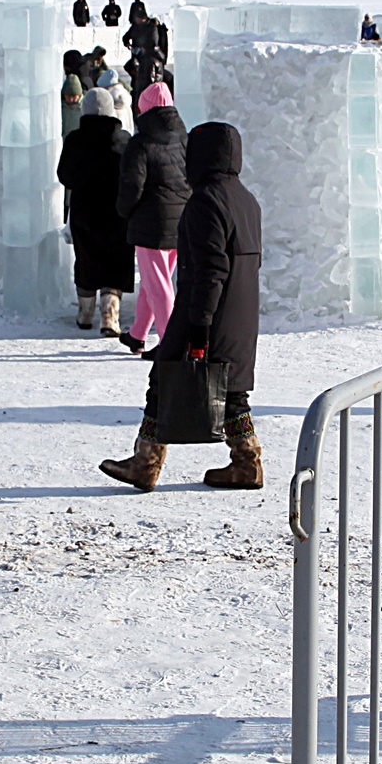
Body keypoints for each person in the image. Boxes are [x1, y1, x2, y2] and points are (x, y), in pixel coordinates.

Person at [102, 122, 262, 491]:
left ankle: (146, 464)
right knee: (232, 390)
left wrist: (199, 326)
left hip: (205, 312)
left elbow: (210, 270)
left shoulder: (206, 201)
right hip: (240, 314)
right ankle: (246, 462)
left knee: (163, 380)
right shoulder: (245, 199)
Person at [116, 80, 191, 354]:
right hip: (181, 218)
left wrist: (125, 211)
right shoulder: (184, 136)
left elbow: (132, 185)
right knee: (155, 280)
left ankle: (171, 345)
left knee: (159, 286)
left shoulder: (141, 142)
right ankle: (137, 334)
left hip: (152, 223)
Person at [58, 85, 134, 336]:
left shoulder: (75, 139)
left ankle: (85, 313)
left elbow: (64, 175)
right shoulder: (124, 140)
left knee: (87, 260)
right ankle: (109, 316)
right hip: (118, 213)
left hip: (84, 211)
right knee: (116, 261)